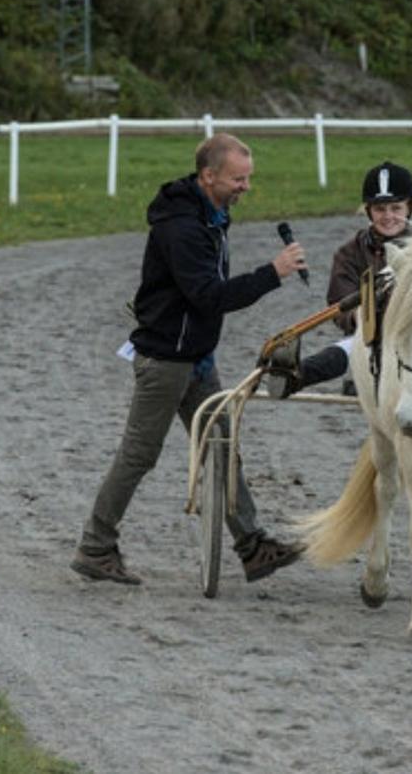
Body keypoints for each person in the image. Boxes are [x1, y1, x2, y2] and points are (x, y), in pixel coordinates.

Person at [72, 133, 307, 586]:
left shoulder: (210, 213)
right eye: (239, 179)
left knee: (222, 446)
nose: (246, 188)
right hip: (165, 362)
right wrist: (272, 274)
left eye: (248, 178)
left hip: (196, 357)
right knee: (139, 455)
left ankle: (252, 546)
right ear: (209, 175)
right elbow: (208, 296)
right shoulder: (181, 225)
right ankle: (95, 546)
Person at [265, 160, 412, 398]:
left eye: (396, 208)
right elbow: (340, 304)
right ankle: (295, 376)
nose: (388, 216)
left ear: (410, 208)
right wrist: (361, 316)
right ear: (368, 211)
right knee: (355, 346)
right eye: (380, 209)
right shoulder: (349, 253)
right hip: (369, 338)